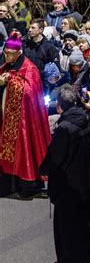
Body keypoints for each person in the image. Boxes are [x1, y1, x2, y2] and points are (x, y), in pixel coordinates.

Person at [39, 89, 90, 263]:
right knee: (81, 222)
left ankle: (68, 262)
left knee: (66, 227)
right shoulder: (83, 119)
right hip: (84, 180)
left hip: (67, 184)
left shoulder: (65, 128)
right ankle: (83, 257)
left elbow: (55, 157)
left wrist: (43, 169)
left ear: (59, 107)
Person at [0, 33, 51, 198]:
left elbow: (29, 92)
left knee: (24, 149)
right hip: (5, 118)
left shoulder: (30, 68)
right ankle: (7, 185)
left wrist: (11, 81)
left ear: (19, 52)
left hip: (22, 122)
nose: (7, 56)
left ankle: (27, 185)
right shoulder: (6, 66)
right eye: (5, 53)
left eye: (10, 53)